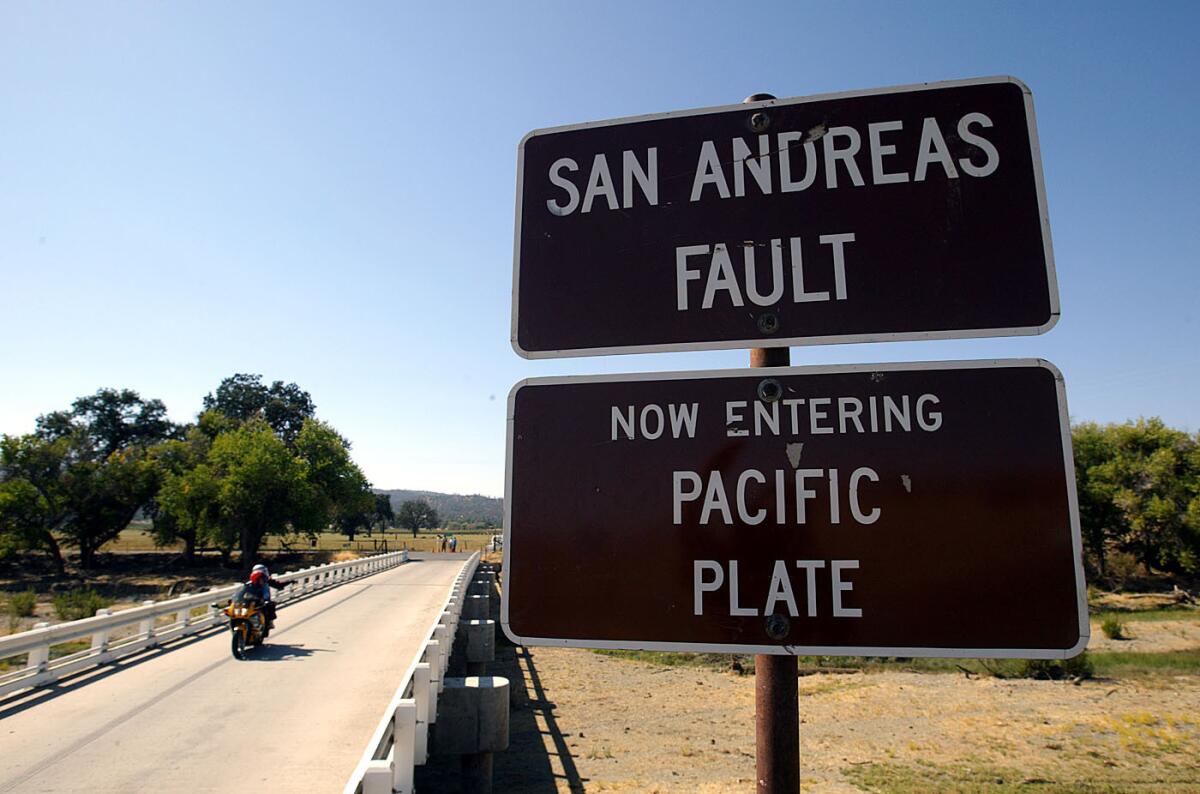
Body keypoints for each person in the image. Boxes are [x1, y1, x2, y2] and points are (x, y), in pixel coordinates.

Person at [247, 563, 285, 629]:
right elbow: (242, 592)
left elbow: (278, 585)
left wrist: (289, 582)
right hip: (253, 602)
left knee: (270, 605)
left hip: (264, 602)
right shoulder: (250, 583)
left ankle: (270, 622)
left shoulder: (267, 581)